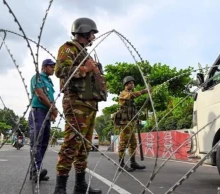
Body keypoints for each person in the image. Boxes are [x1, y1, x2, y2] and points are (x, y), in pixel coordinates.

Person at [53, 17, 107, 194]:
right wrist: (85, 69)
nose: (93, 36)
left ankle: (80, 185)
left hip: (89, 105)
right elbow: (60, 70)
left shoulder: (85, 54)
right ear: (84, 31)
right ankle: (60, 187)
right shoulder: (68, 48)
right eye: (92, 33)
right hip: (75, 104)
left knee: (84, 146)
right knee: (71, 143)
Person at [28, 59, 57, 182]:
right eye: (51, 67)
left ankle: (35, 171)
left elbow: (50, 97)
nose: (53, 69)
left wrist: (53, 111)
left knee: (44, 143)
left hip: (46, 113)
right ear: (44, 67)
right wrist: (52, 108)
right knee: (36, 143)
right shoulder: (38, 78)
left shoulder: (49, 82)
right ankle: (36, 171)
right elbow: (40, 94)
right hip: (38, 112)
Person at [116, 76, 150, 172]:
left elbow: (132, 110)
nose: (132, 85)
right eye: (130, 83)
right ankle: (121, 164)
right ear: (126, 85)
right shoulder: (123, 94)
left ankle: (133, 163)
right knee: (123, 144)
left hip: (131, 122)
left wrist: (136, 119)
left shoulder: (131, 99)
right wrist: (144, 91)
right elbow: (132, 95)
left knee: (133, 144)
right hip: (125, 123)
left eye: (133, 83)